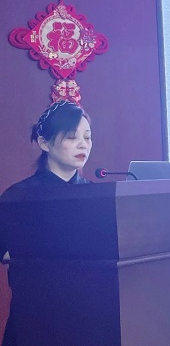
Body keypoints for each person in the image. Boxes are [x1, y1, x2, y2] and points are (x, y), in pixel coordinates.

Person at [0, 100, 93, 346]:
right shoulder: (19, 197)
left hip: (88, 315)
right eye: (72, 137)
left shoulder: (96, 196)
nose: (83, 144)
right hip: (34, 317)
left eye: (87, 137)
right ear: (44, 143)